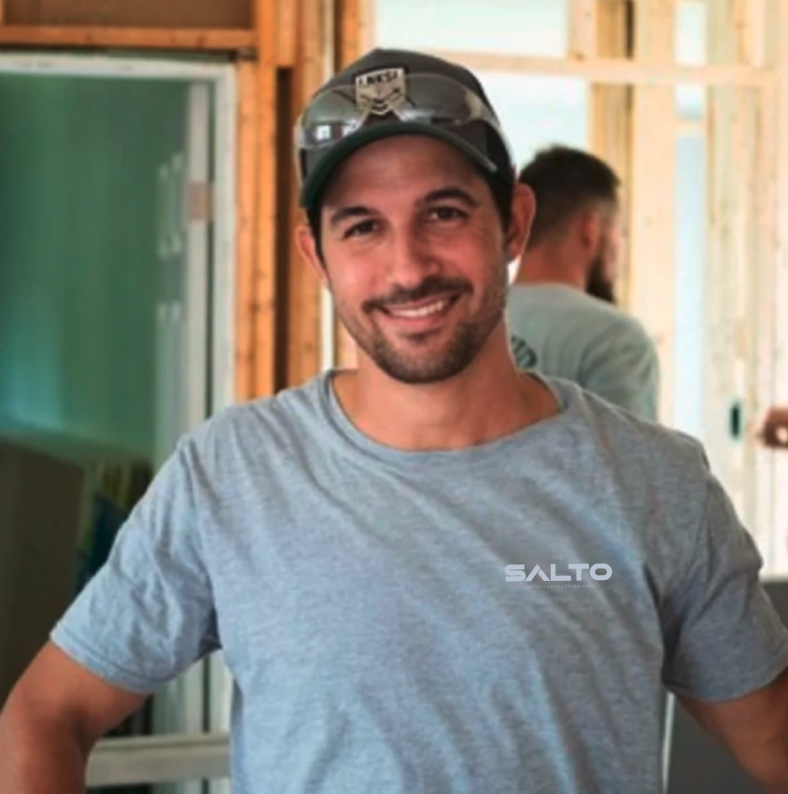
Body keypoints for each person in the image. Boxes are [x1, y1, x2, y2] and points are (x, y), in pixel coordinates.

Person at [2, 48, 788, 794]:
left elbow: (774, 740)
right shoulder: (231, 472)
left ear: (512, 223)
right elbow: (45, 713)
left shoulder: (655, 482)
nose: (407, 267)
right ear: (317, 255)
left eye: (443, 213)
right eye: (363, 227)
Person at [507, 145, 660, 420]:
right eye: (619, 231)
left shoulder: (472, 320)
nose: (620, 246)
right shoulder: (614, 339)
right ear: (590, 227)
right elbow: (629, 459)